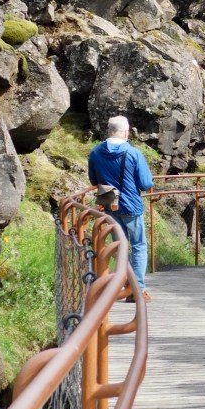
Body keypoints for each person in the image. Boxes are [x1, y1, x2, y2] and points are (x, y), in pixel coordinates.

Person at [88, 115, 154, 303]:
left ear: (109, 131)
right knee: (138, 246)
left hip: (110, 204)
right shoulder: (133, 153)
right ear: (126, 132)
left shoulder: (96, 152)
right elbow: (145, 183)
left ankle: (124, 286)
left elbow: (93, 180)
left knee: (120, 247)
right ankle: (137, 290)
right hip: (131, 205)